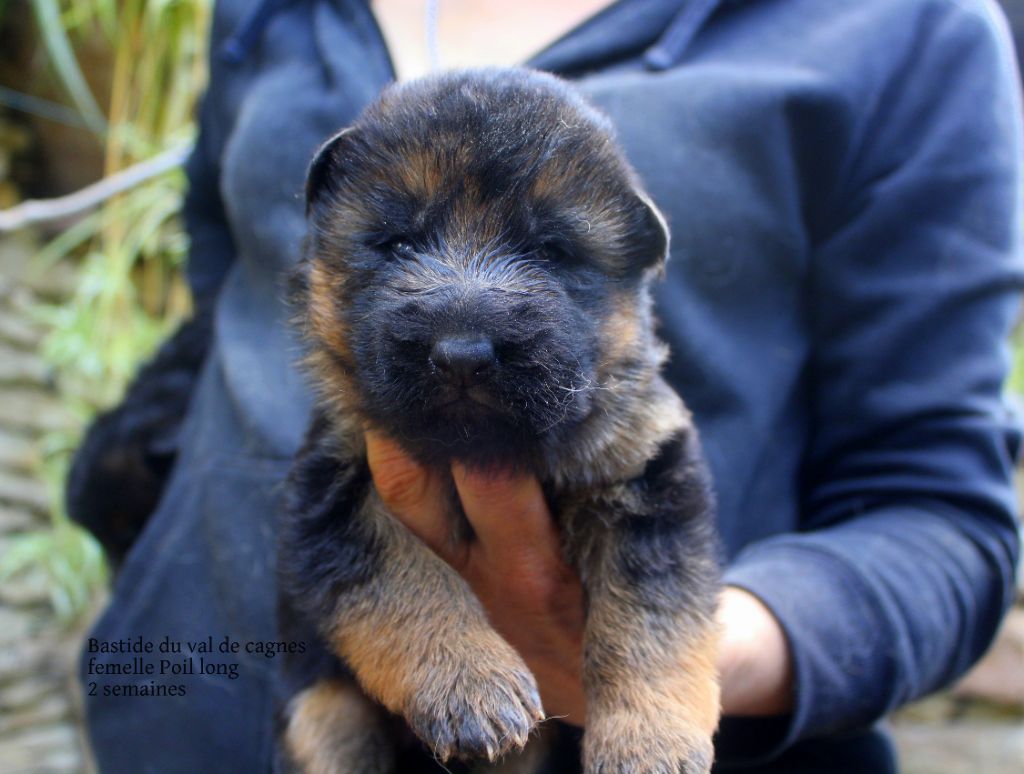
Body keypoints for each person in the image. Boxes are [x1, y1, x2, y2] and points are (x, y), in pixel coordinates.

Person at [77, 0, 1024, 772]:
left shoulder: (913, 29)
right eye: (398, 243)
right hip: (190, 717)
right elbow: (223, 259)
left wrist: (659, 670)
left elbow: (940, 512)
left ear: (642, 267)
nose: (461, 325)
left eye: (553, 251)